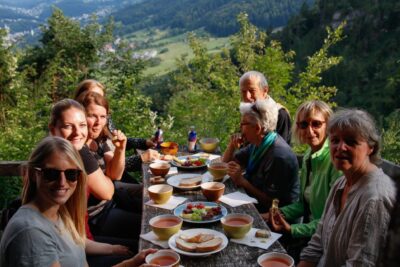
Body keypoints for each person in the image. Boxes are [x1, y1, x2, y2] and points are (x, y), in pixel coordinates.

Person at [0, 136, 159, 267]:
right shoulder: (32, 234)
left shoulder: (57, 212)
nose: (62, 182)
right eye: (51, 174)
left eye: (71, 174)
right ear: (34, 175)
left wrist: (130, 264)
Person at [298, 109, 396, 267]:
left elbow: (359, 264)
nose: (340, 147)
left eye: (351, 141)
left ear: (371, 147)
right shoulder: (341, 182)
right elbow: (318, 242)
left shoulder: (374, 198)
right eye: (335, 140)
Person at [49, 99, 141, 257]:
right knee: (144, 245)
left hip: (84, 237)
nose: (77, 132)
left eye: (82, 125)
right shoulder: (56, 167)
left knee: (146, 240)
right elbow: (107, 191)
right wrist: (110, 249)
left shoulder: (78, 151)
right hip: (74, 248)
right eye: (67, 126)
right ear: (53, 130)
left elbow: (114, 176)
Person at [261, 100, 342, 262]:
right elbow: (303, 205)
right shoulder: (308, 156)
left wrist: (293, 229)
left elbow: (334, 219)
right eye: (304, 125)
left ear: (328, 126)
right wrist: (278, 213)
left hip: (327, 244)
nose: (310, 130)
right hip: (309, 236)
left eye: (316, 124)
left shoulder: (336, 162)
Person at [222, 99, 299, 212]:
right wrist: (231, 146)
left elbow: (272, 202)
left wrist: (242, 181)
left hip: (275, 218)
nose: (240, 128)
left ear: (257, 128)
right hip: (254, 203)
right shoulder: (258, 143)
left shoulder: (279, 156)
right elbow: (225, 164)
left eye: (243, 124)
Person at [74, 79, 159, 173]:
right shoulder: (80, 139)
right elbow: (105, 170)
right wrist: (141, 158)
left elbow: (116, 142)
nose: (96, 100)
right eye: (91, 95)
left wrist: (144, 142)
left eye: (100, 97)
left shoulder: (105, 121)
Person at [239, 71, 291, 144]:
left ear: (265, 90)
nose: (247, 96)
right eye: (243, 92)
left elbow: (282, 148)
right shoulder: (247, 112)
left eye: (252, 91)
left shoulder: (280, 113)